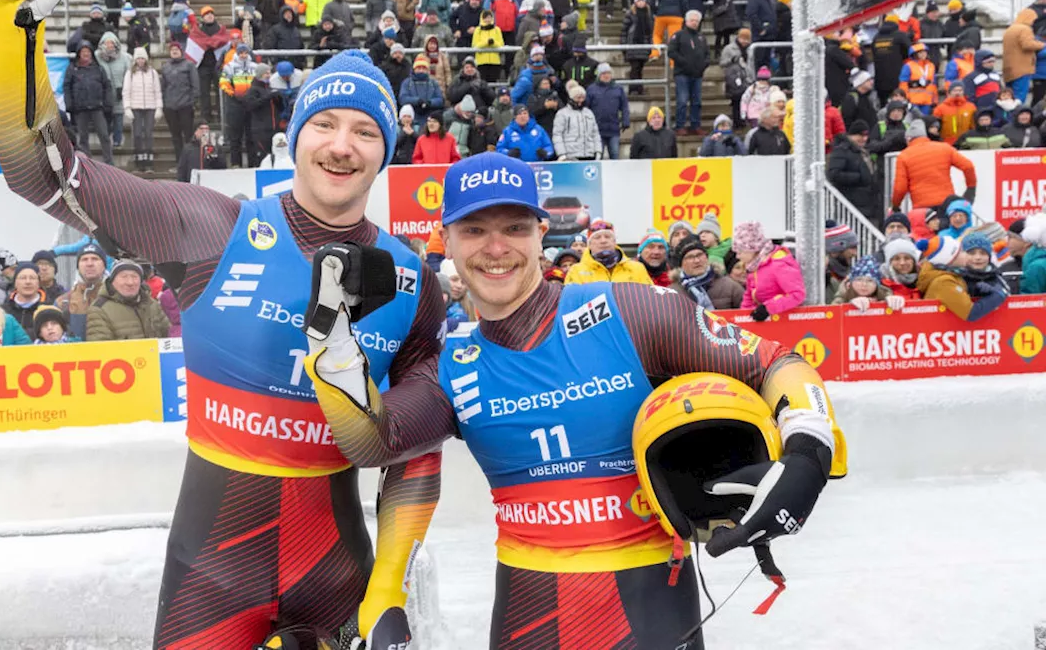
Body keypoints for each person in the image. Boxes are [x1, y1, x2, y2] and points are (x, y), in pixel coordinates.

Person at [0, 0, 446, 647]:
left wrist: (388, 588)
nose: (342, 145)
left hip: (338, 575)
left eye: (364, 130)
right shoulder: (211, 226)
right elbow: (41, 172)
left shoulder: (411, 280)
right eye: (325, 123)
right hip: (212, 574)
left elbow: (413, 445)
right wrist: (16, 35)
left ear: (386, 151)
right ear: (294, 134)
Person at [300, 152, 845, 649]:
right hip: (527, 613)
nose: (496, 249)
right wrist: (332, 344)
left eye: (514, 227)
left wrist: (809, 452)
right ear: (447, 239)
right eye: (474, 230)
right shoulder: (452, 362)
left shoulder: (633, 311)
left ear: (542, 231)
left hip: (649, 608)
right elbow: (372, 440)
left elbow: (775, 362)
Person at [914, 236, 1007, 321]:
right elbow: (971, 313)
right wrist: (997, 296)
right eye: (961, 252)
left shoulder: (950, 276)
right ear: (951, 258)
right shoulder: (944, 282)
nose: (965, 254)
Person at [893, 119, 976, 210]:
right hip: (946, 203)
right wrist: (971, 189)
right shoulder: (944, 148)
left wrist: (896, 206)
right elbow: (968, 166)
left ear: (908, 138)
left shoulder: (904, 156)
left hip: (922, 206)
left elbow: (900, 188)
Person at [734, 220, 805, 319]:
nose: (737, 256)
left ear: (753, 249)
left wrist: (768, 308)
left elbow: (797, 294)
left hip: (784, 321)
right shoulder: (754, 267)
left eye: (740, 252)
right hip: (764, 322)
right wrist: (744, 318)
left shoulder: (779, 264)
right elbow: (749, 297)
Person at [64, 42, 115, 163]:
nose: (86, 54)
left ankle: (109, 162)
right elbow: (67, 87)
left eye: (88, 52)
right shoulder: (72, 69)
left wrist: (108, 103)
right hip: (80, 109)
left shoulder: (98, 68)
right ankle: (87, 163)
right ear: (79, 54)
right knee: (83, 138)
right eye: (83, 52)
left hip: (97, 107)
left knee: (104, 135)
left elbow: (107, 86)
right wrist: (69, 104)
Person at [564, 219, 652, 284]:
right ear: (589, 244)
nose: (603, 241)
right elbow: (571, 302)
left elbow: (649, 297)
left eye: (607, 236)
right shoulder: (576, 271)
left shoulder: (637, 268)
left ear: (614, 242)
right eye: (597, 237)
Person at [670, 235, 743, 309]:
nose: (697, 260)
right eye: (690, 257)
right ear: (681, 264)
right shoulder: (672, 292)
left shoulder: (729, 286)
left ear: (707, 257)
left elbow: (746, 313)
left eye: (700, 255)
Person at [826, 120, 876, 220]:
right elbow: (833, 174)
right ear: (852, 135)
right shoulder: (842, 151)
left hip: (864, 202)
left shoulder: (863, 151)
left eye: (866, 136)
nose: (864, 139)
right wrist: (859, 177)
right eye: (861, 135)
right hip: (851, 202)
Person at [668, 9, 708, 135]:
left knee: (697, 102)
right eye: (692, 20)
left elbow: (707, 55)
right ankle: (680, 125)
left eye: (697, 21)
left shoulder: (701, 37)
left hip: (697, 74)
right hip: (682, 74)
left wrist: (703, 65)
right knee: (682, 101)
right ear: (686, 21)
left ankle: (695, 125)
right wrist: (684, 62)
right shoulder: (678, 35)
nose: (695, 23)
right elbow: (671, 52)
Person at [585, 62, 630, 159]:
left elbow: (624, 106)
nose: (606, 76)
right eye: (604, 73)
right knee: (598, 156)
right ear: (599, 75)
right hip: (597, 130)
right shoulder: (591, 89)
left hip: (613, 129)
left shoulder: (618, 89)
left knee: (615, 155)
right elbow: (586, 109)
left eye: (608, 73)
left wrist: (625, 121)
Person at [831, 256, 904, 311]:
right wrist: (849, 307)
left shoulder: (885, 295)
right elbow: (832, 317)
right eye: (859, 280)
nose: (864, 284)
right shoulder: (842, 297)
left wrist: (892, 302)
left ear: (877, 284)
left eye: (870, 281)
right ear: (850, 283)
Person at [2, 262, 48, 336]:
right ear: (15, 283)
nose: (28, 282)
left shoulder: (48, 308)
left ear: (39, 283)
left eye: (32, 278)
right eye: (23, 278)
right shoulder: (3, 311)